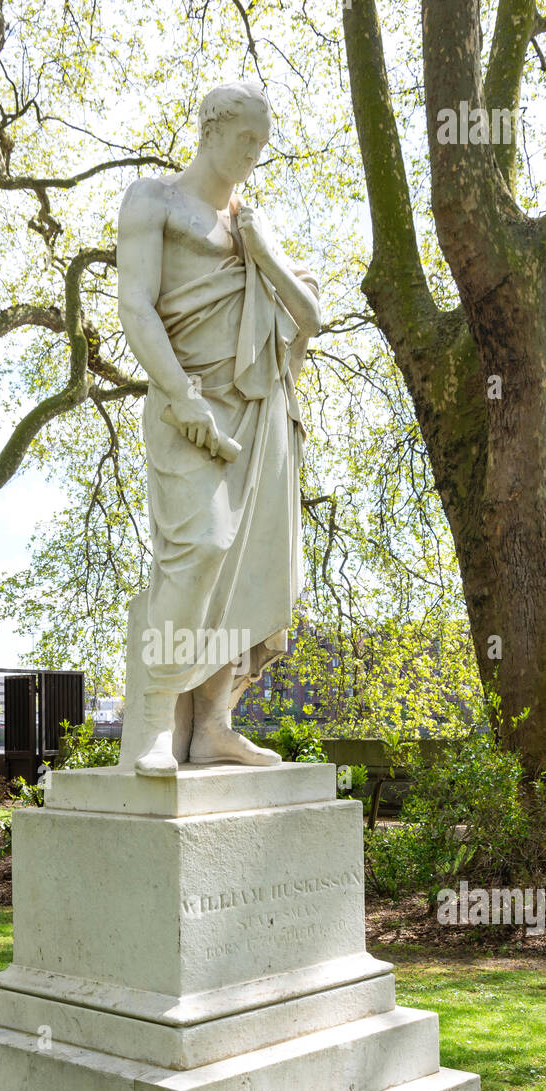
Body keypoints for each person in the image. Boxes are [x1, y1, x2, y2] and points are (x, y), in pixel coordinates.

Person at [117, 79, 320, 776]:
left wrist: (262, 251)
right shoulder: (154, 200)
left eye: (263, 145)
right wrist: (180, 396)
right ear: (212, 128)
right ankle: (151, 725)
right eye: (247, 140)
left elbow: (306, 317)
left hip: (256, 412)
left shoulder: (249, 221)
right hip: (186, 405)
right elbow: (136, 308)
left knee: (245, 571)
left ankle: (211, 726)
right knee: (198, 549)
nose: (254, 155)